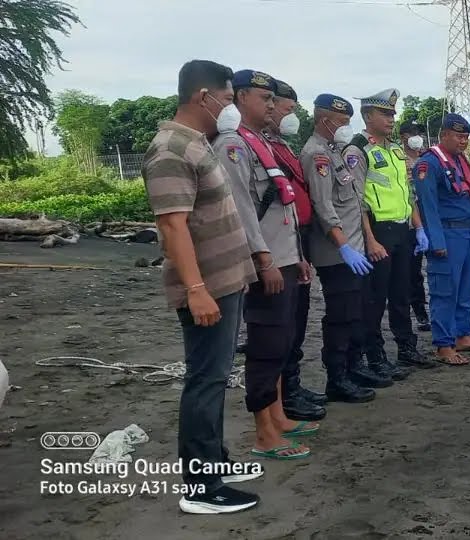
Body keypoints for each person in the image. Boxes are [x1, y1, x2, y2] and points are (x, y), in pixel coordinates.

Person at [142, 60, 262, 514]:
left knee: (215, 376)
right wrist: (195, 289)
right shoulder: (170, 148)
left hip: (224, 282)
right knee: (206, 380)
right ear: (202, 97)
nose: (230, 108)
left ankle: (215, 462)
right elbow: (173, 227)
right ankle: (200, 488)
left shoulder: (197, 143)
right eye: (228, 100)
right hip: (205, 287)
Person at [214, 69, 314, 462]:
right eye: (264, 99)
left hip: (285, 258)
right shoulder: (233, 146)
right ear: (240, 98)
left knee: (281, 342)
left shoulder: (261, 144)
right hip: (266, 263)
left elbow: (284, 204)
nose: (272, 106)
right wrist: (264, 260)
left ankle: (278, 416)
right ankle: (264, 434)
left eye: (274, 100)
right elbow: (241, 210)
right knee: (265, 346)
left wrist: (298, 257)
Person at [348, 88, 433, 383]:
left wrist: (419, 227)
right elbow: (356, 200)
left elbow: (406, 193)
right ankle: (375, 357)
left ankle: (406, 348)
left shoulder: (395, 149)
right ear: (368, 115)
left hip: (403, 229)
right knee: (374, 299)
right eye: (385, 114)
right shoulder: (359, 149)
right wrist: (369, 239)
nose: (391, 119)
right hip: (378, 231)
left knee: (402, 294)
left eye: (393, 114)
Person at [300, 93, 377, 404]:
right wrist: (344, 246)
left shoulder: (334, 151)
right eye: (343, 122)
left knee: (355, 312)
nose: (347, 127)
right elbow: (323, 205)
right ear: (325, 120)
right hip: (337, 252)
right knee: (340, 316)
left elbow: (352, 200)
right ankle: (337, 378)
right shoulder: (316, 154)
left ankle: (351, 369)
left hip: (353, 248)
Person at [412, 114, 470, 365]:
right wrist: (436, 242)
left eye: (466, 137)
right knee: (445, 290)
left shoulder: (459, 161)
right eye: (459, 136)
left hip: (467, 232)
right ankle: (444, 344)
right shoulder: (429, 164)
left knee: (467, 287)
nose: (464, 142)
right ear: (444, 135)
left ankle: (463, 334)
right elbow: (428, 207)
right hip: (447, 234)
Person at [263, 79, 324, 422]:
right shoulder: (258, 145)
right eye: (286, 109)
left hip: (297, 239)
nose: (287, 115)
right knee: (281, 325)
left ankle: (293, 386)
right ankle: (283, 396)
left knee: (297, 320)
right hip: (278, 244)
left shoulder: (281, 145)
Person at [397, 121, 431, 332]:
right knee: (413, 271)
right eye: (412, 133)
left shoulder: (426, 157)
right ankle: (419, 311)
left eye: (418, 133)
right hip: (410, 219)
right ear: (403, 137)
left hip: (429, 216)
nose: (416, 137)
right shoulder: (399, 158)